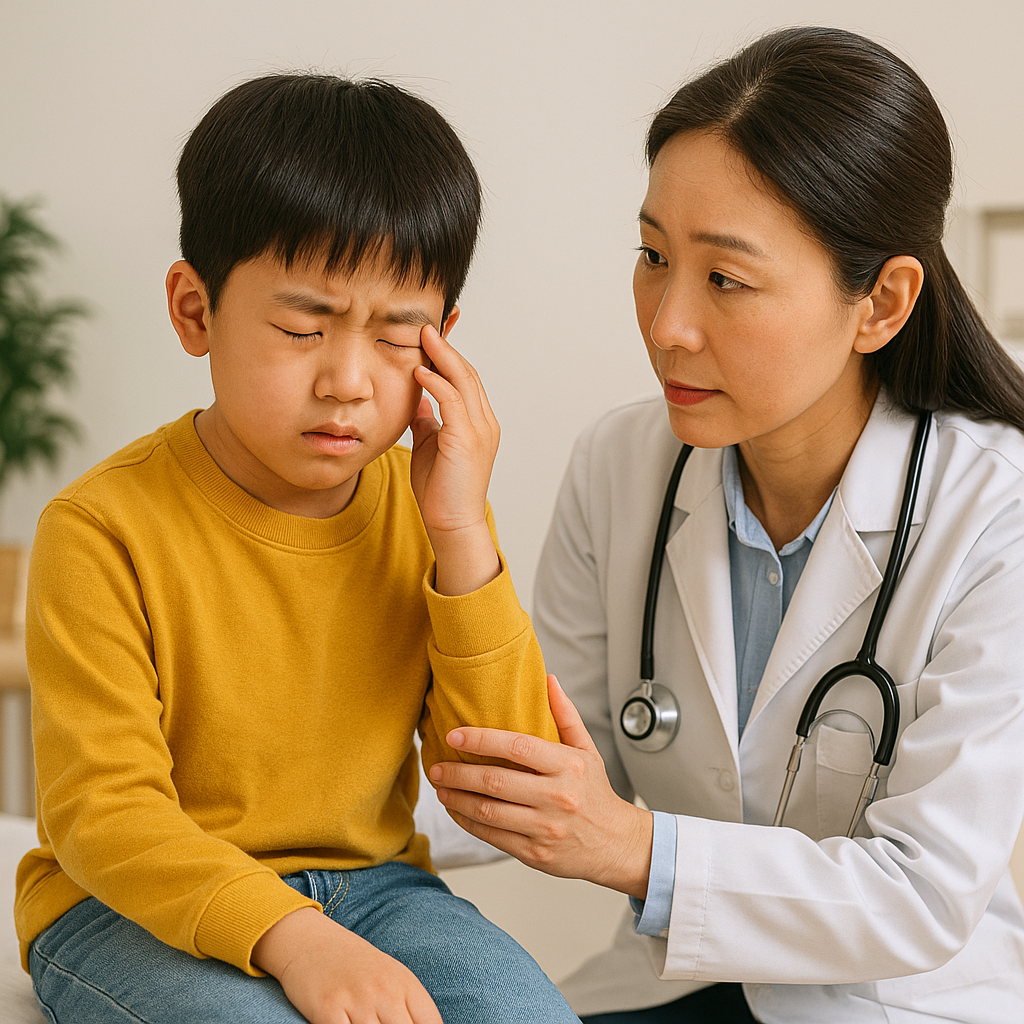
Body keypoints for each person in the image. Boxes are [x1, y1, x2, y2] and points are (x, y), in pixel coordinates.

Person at [426, 26, 1024, 1023]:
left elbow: (920, 895)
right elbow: (537, 758)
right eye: (652, 255)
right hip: (670, 990)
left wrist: (631, 847)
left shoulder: (995, 511)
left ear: (881, 302)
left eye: (725, 279)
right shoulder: (621, 466)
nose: (665, 322)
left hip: (900, 1003)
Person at [15, 73, 581, 1024]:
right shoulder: (99, 528)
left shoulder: (424, 511)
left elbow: (504, 770)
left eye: (399, 337)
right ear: (195, 311)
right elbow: (101, 817)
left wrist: (461, 531)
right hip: (124, 908)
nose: (348, 382)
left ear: (444, 343)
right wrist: (295, 937)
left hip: (376, 891)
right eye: (300, 328)